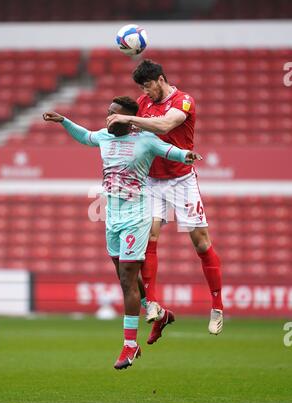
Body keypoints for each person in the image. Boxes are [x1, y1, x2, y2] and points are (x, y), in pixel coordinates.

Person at [43, 96, 202, 370]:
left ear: (128, 118)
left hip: (136, 215)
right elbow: (86, 136)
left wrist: (186, 155)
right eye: (107, 113)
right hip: (112, 215)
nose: (109, 118)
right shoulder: (105, 136)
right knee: (123, 275)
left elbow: (168, 151)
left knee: (128, 277)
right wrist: (64, 122)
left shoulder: (145, 139)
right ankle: (160, 314)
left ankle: (130, 345)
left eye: (114, 115)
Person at [107, 60, 224, 342]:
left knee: (201, 242)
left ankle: (217, 306)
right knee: (149, 239)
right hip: (151, 181)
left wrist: (131, 119)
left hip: (181, 180)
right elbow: (130, 131)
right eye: (142, 87)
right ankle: (155, 304)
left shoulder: (184, 101)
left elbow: (165, 125)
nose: (145, 91)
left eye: (147, 85)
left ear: (160, 79)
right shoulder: (142, 101)